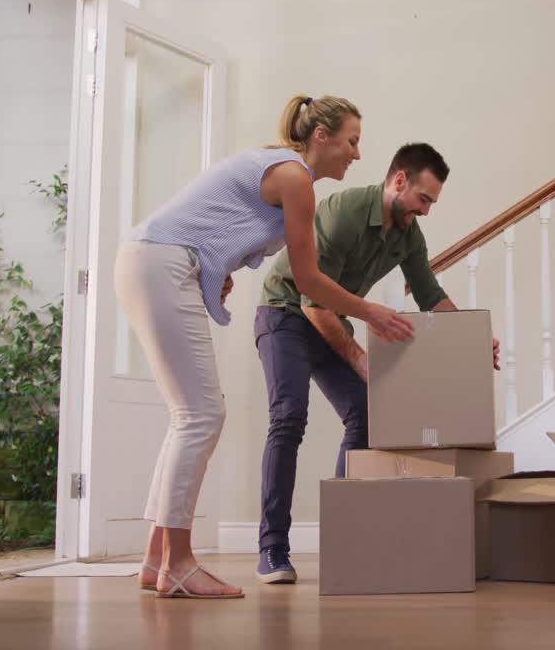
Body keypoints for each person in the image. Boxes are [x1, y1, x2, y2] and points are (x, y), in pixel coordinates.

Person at [114, 95, 414, 599]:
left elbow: (215, 224)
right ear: (322, 136)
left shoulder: (283, 171)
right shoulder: (295, 177)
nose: (357, 154)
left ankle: (156, 558)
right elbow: (308, 282)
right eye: (352, 141)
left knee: (190, 414)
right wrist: (370, 312)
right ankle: (180, 565)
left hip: (154, 261)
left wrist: (218, 273)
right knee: (201, 415)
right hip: (161, 262)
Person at [253, 142, 500, 583]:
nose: (426, 211)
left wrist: (473, 342)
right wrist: (358, 357)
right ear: (399, 181)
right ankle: (273, 549)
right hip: (285, 313)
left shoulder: (408, 236)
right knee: (289, 417)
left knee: (366, 416)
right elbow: (312, 301)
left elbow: (431, 297)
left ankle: (342, 536)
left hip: (329, 319)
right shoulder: (345, 211)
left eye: (432, 203)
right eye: (423, 199)